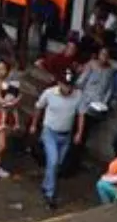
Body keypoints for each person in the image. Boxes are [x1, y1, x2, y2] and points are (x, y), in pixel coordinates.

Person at [30, 69, 86, 210]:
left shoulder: (78, 95)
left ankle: (46, 184)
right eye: (66, 85)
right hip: (50, 132)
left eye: (70, 85)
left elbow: (81, 114)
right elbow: (38, 107)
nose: (68, 88)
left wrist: (79, 132)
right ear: (60, 83)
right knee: (53, 161)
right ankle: (50, 194)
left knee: (57, 164)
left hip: (66, 135)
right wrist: (34, 124)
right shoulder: (49, 93)